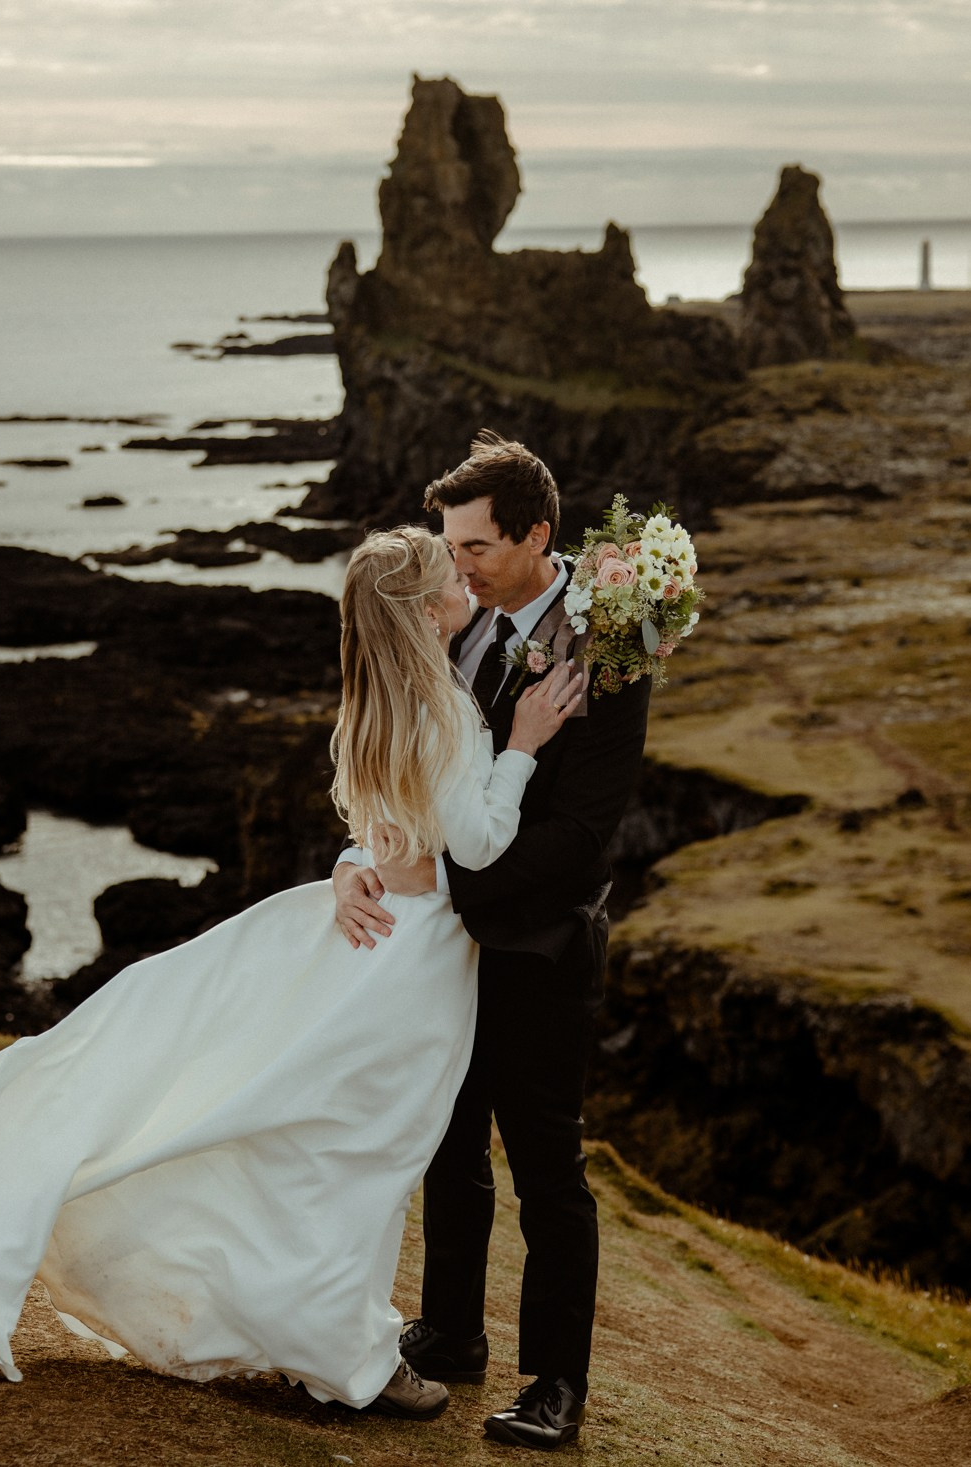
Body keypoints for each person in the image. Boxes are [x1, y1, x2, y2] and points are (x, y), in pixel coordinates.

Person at [0, 525, 586, 1418]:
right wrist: (521, 744)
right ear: (430, 607)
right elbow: (477, 843)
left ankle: (322, 1333)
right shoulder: (438, 707)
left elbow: (385, 825)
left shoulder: (380, 703)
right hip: (411, 962)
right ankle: (345, 1356)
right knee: (363, 1157)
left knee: (318, 1148)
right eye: (448, 570)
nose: (461, 574)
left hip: (370, 937)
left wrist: (353, 860)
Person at [334, 432, 653, 1451]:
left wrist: (457, 884)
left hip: (540, 944)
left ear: (536, 537)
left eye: (473, 547)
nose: (454, 565)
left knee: (547, 1171)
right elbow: (412, 775)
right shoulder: (449, 626)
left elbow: (583, 833)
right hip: (447, 944)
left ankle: (556, 1382)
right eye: (448, 545)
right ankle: (452, 1331)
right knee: (448, 1144)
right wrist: (367, 860)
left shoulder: (610, 637)